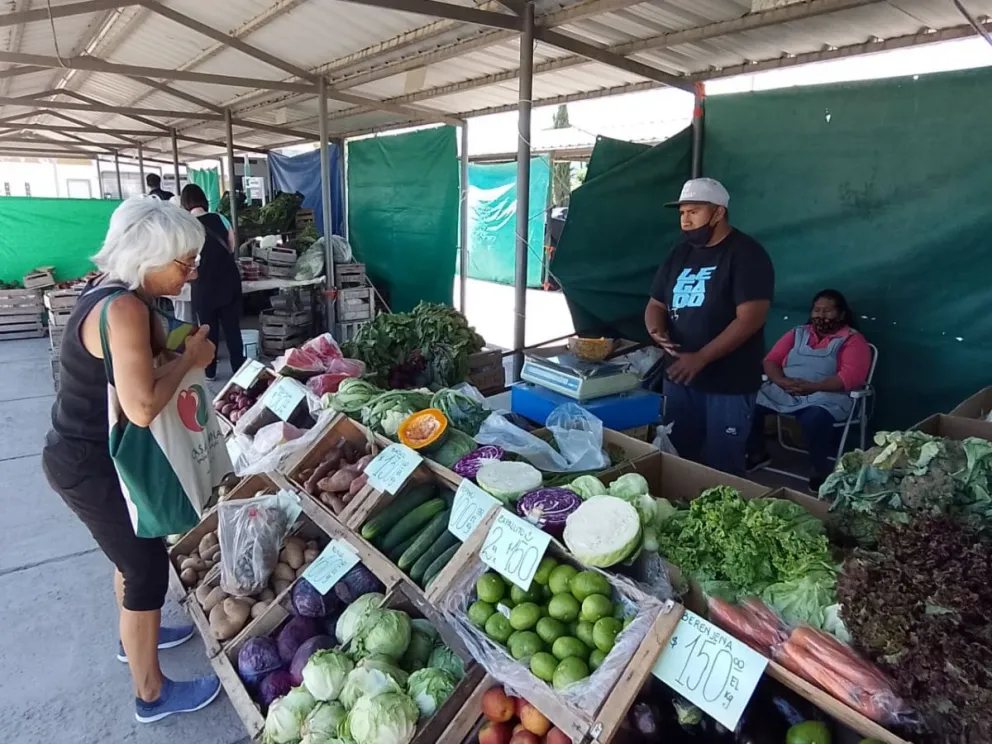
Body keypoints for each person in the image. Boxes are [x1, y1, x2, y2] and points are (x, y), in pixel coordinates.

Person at [41, 198, 221, 722]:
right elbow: (142, 407)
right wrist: (189, 360)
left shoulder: (120, 298)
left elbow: (151, 356)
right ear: (148, 256)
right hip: (88, 463)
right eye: (183, 264)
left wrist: (183, 347)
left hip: (88, 457)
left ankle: (136, 635)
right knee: (145, 566)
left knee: (129, 558)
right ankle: (151, 694)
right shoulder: (121, 310)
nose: (190, 274)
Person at [644, 178, 774, 475]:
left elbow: (751, 318)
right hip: (679, 377)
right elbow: (656, 304)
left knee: (722, 466)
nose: (686, 220)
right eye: (682, 213)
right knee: (676, 458)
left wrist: (701, 357)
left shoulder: (746, 254)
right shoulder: (679, 253)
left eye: (694, 212)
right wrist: (656, 331)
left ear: (718, 213)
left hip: (728, 383)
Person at [747, 289, 871, 491]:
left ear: (841, 314)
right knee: (748, 402)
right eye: (817, 310)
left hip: (827, 395)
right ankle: (756, 453)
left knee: (814, 419)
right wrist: (780, 380)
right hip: (786, 388)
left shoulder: (852, 340)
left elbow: (850, 377)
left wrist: (813, 387)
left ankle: (819, 470)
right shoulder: (798, 333)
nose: (821, 316)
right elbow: (771, 360)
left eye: (827, 311)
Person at [180, 183, 244, 381]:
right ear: (203, 200)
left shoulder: (185, 225)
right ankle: (239, 370)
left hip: (203, 284)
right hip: (228, 279)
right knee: (233, 328)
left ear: (185, 203)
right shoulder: (220, 218)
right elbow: (232, 246)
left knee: (208, 329)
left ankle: (210, 372)